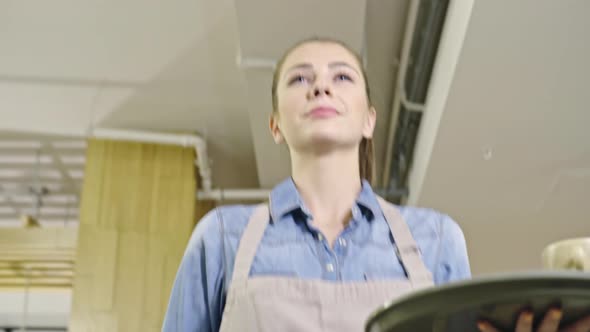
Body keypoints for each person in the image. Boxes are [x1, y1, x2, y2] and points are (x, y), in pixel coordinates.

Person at [163, 37, 590, 332]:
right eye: (299, 79)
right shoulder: (222, 238)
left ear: (369, 119)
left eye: (342, 77)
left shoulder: (438, 239)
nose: (321, 86)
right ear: (275, 125)